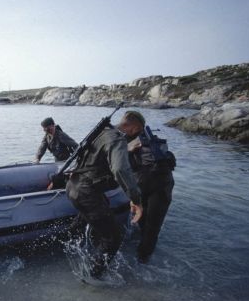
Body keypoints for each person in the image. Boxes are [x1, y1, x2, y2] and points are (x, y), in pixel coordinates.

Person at [65, 121, 143, 278]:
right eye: (138, 132)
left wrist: (126, 150)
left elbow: (101, 157)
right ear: (133, 127)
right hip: (86, 192)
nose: (136, 136)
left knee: (93, 213)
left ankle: (67, 247)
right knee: (113, 237)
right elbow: (120, 169)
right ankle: (92, 277)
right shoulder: (118, 139)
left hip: (73, 186)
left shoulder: (101, 133)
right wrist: (136, 199)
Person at [118, 110, 175, 263]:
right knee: (145, 223)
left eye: (125, 126)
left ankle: (143, 260)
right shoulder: (130, 141)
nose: (122, 129)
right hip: (146, 185)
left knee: (151, 227)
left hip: (159, 186)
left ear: (136, 127)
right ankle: (143, 255)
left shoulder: (147, 143)